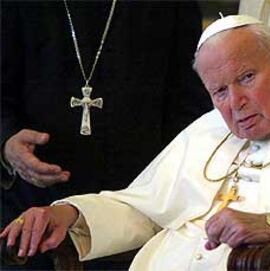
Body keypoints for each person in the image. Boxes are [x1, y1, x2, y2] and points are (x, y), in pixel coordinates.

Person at [2, 15, 270, 271]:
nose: (235, 104)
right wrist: (71, 213)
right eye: (219, 91)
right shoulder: (207, 128)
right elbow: (145, 207)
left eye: (247, 78)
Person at [1, 0, 210, 270]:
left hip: (135, 202)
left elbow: (191, 98)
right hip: (33, 203)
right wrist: (6, 142)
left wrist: (169, 183)